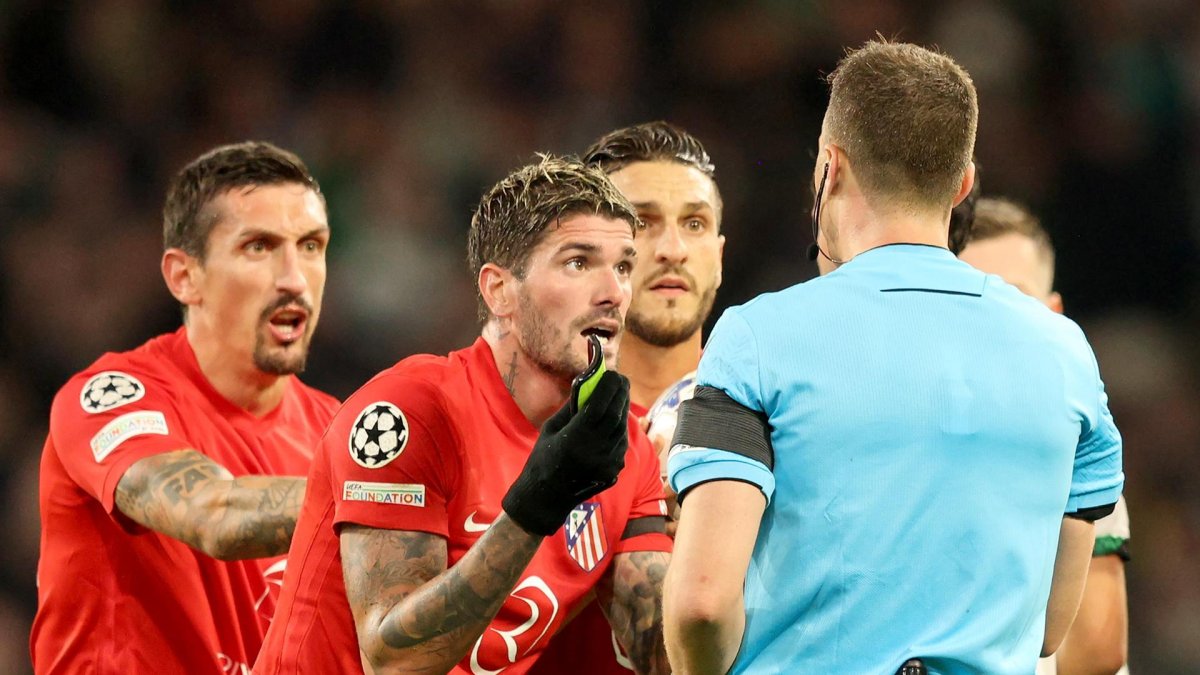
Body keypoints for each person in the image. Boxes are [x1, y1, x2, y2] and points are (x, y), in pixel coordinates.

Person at [663, 39, 1124, 675]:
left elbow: (703, 608)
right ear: (963, 185)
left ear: (831, 167)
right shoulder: (1066, 353)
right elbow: (1049, 628)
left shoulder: (756, 339)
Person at [254, 155, 672, 675]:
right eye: (578, 263)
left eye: (624, 266)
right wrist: (537, 504)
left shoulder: (623, 445)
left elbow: (665, 655)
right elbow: (393, 660)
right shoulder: (409, 412)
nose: (614, 293)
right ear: (499, 290)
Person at [31, 141, 340, 674]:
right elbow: (214, 514)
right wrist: (390, 490)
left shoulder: (336, 432)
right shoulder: (109, 397)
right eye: (259, 247)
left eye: (311, 246)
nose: (294, 278)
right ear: (183, 276)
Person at [531, 121, 726, 674]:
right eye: (642, 224)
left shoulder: (769, 423)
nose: (671, 250)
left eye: (694, 224)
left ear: (719, 252)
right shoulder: (526, 420)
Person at [958, 197, 1131, 675]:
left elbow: (1094, 654)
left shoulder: (1078, 443)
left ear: (1055, 315)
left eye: (1014, 297)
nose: (995, 320)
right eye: (973, 296)